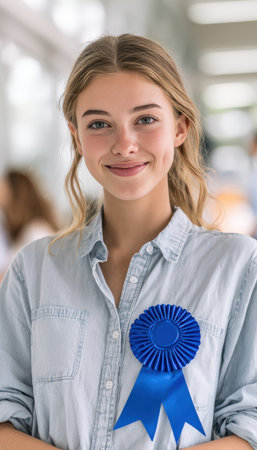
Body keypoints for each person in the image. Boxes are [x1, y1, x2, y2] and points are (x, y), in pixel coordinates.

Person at [0, 34, 256, 450]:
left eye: (145, 119)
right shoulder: (33, 270)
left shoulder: (238, 266)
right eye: (99, 124)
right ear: (77, 137)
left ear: (181, 126)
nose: (124, 144)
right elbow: (4, 413)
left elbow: (250, 426)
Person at [0, 170, 59, 280]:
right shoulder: (22, 231)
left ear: (16, 193)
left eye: (2, 188)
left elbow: (9, 277)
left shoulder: (36, 232)